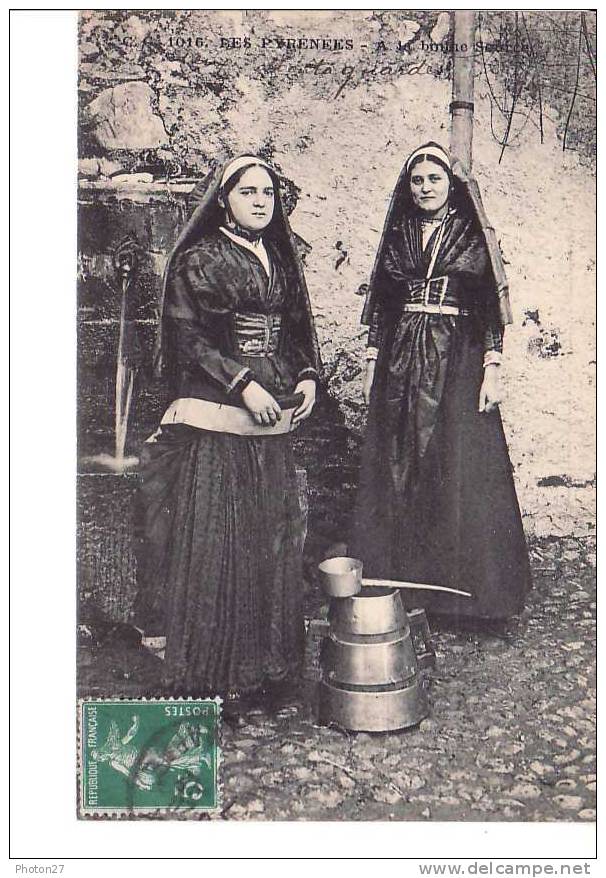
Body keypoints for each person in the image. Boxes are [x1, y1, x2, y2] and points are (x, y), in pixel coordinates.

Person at [133, 155, 321, 709]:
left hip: (275, 410)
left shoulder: (281, 261)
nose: (262, 202)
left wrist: (306, 377)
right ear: (225, 199)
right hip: (222, 410)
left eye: (269, 193)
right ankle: (216, 670)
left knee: (273, 536)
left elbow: (296, 333)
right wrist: (243, 385)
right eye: (249, 192)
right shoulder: (200, 259)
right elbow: (190, 340)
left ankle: (268, 667)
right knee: (224, 536)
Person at [352, 142, 531, 621]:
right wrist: (372, 357)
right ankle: (405, 589)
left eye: (434, 179)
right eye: (417, 180)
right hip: (402, 359)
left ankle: (468, 599)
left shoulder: (471, 235)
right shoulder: (400, 235)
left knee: (456, 462)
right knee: (400, 461)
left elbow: (490, 307)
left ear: (451, 186)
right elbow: (385, 304)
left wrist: (492, 365)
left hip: (457, 358)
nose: (425, 188)